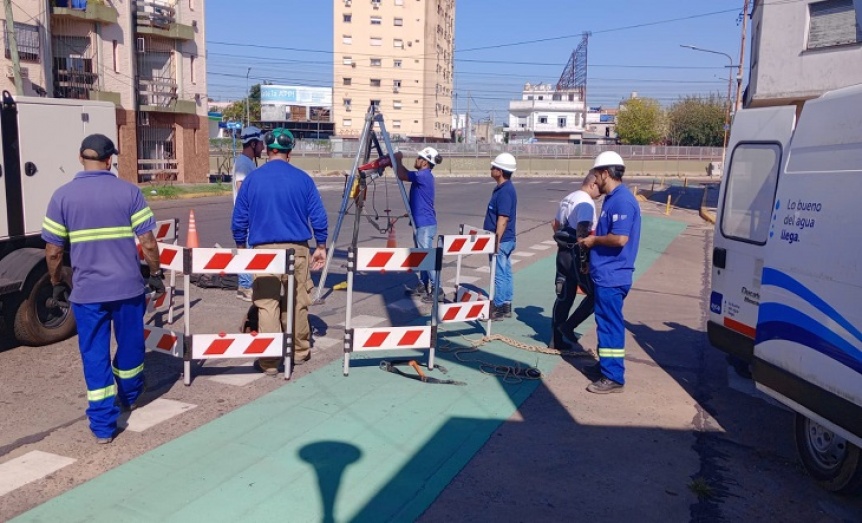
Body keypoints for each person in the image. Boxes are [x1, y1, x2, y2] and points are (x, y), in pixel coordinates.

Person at [41, 134, 165, 444]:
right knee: (132, 346)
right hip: (127, 290)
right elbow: (148, 241)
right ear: (109, 160)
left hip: (87, 294)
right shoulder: (129, 192)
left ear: (80, 158)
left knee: (94, 355)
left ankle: (103, 427)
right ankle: (130, 394)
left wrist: (56, 283)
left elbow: (54, 252)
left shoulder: (62, 197)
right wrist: (155, 272)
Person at [232, 128, 328, 376]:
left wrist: (241, 246)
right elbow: (318, 215)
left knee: (267, 305)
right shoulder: (303, 179)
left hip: (263, 251)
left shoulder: (253, 179)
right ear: (290, 153)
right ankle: (299, 352)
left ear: (267, 151)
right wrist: (321, 246)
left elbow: (239, 218)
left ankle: (270, 361)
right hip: (297, 249)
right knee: (298, 302)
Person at [578, 151, 641, 394]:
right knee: (604, 322)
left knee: (610, 324)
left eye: (597, 175)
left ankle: (614, 377)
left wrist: (593, 242)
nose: (595, 181)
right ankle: (606, 366)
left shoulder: (622, 200)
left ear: (605, 173)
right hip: (606, 273)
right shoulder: (612, 198)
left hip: (613, 276)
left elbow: (620, 238)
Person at [550, 173, 600, 350]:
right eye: (599, 187)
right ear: (592, 184)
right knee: (596, 295)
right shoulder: (586, 202)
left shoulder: (568, 198)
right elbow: (582, 234)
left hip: (562, 254)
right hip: (576, 256)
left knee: (564, 297)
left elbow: (555, 225)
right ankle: (569, 327)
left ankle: (556, 340)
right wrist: (585, 261)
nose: (600, 191)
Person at [394, 147, 442, 302]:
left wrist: (397, 159)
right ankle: (423, 284)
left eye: (419, 157)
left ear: (425, 163)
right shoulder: (423, 175)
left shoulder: (423, 175)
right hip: (421, 223)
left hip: (425, 224)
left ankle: (437, 289)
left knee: (426, 256)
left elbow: (402, 174)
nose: (416, 159)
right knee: (421, 256)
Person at [484, 153, 518, 321]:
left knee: (499, 274)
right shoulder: (504, 188)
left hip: (502, 240)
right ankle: (506, 305)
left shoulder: (505, 191)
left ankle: (498, 307)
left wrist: (496, 241)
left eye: (494, 167)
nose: (491, 169)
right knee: (506, 272)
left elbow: (503, 219)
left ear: (501, 171)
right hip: (506, 239)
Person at [233, 126, 264, 302]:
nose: (262, 147)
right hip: (247, 217)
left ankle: (248, 284)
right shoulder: (244, 164)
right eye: (260, 143)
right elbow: (242, 190)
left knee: (250, 252)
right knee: (245, 251)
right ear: (253, 143)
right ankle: (244, 287)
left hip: (251, 217)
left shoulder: (248, 162)